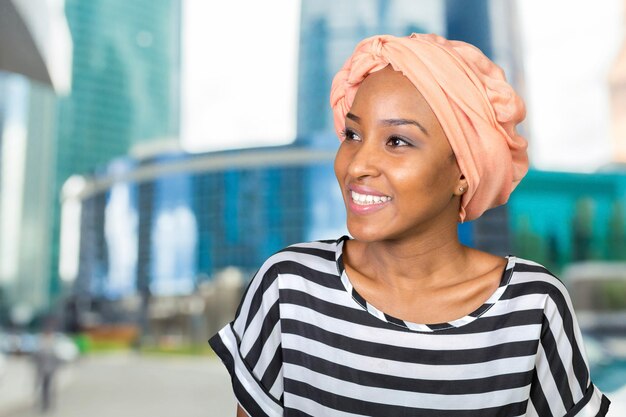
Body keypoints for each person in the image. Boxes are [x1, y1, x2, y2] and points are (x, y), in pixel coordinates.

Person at [209, 33, 611, 416]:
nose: (358, 165)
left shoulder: (531, 304)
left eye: (397, 141)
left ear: (463, 172)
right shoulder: (290, 285)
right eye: (352, 134)